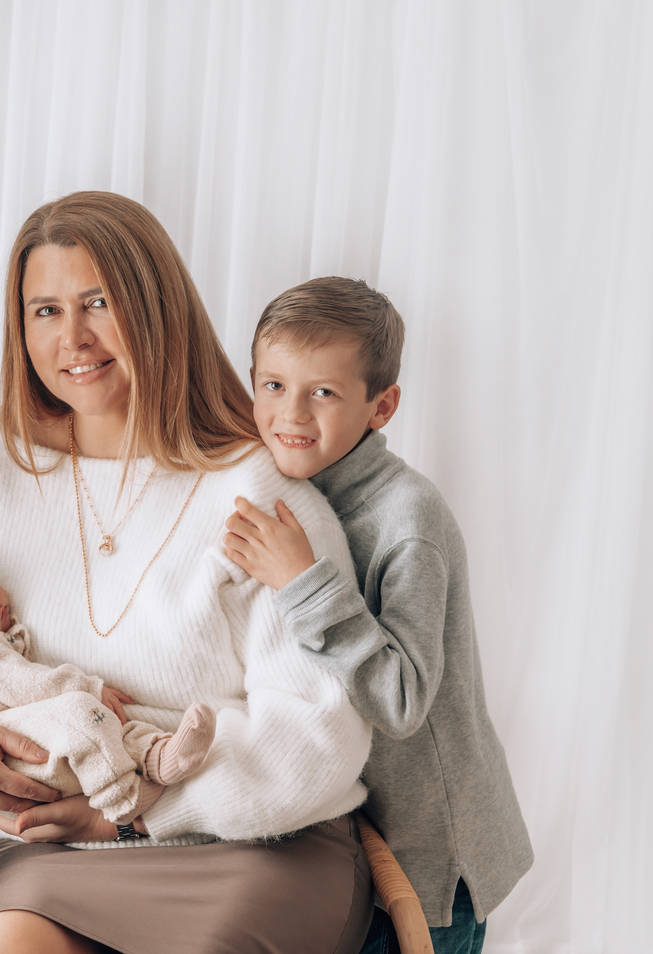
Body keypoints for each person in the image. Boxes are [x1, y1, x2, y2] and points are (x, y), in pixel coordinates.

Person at [0, 192, 375, 954]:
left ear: (156, 306)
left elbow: (317, 732)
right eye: (44, 310)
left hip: (249, 842)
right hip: (46, 850)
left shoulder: (256, 487)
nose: (73, 337)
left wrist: (132, 814)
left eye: (98, 302)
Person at [220, 277, 533, 954]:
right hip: (336, 848)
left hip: (428, 865)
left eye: (322, 393)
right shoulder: (277, 493)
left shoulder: (405, 519)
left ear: (380, 406)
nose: (290, 414)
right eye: (272, 386)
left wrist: (302, 581)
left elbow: (400, 699)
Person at [0, 553, 217, 842]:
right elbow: (25, 684)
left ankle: (158, 756)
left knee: (104, 727)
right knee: (82, 714)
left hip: (37, 746)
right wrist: (89, 687)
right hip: (21, 750)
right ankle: (123, 797)